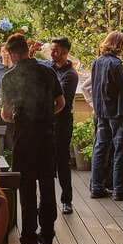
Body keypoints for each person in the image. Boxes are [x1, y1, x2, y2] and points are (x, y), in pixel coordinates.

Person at [1, 33, 65, 244]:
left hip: (24, 139)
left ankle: (28, 237)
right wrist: (47, 114)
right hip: (47, 136)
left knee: (26, 187)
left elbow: (6, 114)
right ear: (27, 50)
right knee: (47, 185)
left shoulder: (9, 78)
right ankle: (47, 233)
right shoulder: (48, 72)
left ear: (11, 53)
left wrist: (19, 118)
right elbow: (61, 102)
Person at [89, 31, 123, 201]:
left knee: (100, 148)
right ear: (118, 44)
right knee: (120, 150)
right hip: (117, 112)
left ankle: (97, 187)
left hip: (101, 110)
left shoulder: (97, 62)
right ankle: (119, 189)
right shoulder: (116, 64)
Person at [48, 37, 80, 214]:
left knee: (62, 161)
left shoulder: (71, 75)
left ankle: (66, 200)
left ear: (65, 52)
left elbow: (63, 103)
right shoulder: (49, 68)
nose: (52, 53)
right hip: (46, 122)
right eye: (52, 50)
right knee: (46, 161)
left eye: (56, 50)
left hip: (62, 123)